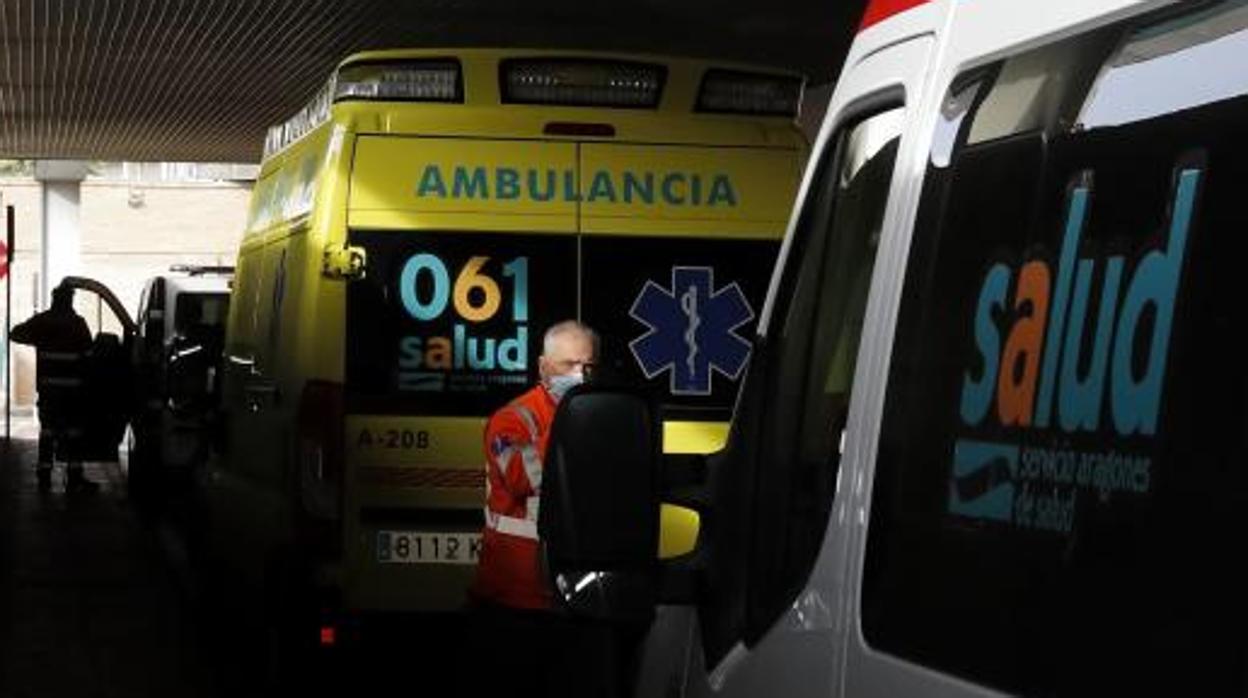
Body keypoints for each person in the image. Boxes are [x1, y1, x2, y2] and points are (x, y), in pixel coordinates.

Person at [467, 319, 602, 695]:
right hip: (513, 601)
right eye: (569, 365)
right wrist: (572, 426)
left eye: (588, 366)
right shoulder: (512, 419)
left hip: (575, 595)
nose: (579, 375)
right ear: (543, 367)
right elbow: (524, 477)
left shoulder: (599, 413)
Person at [10, 283, 98, 493]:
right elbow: (89, 354)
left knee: (48, 432)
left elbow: (15, 334)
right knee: (74, 433)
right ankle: (74, 479)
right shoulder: (78, 324)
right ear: (70, 299)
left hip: (49, 390)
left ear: (54, 298)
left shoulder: (42, 321)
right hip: (73, 391)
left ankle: (44, 477)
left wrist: (37, 336)